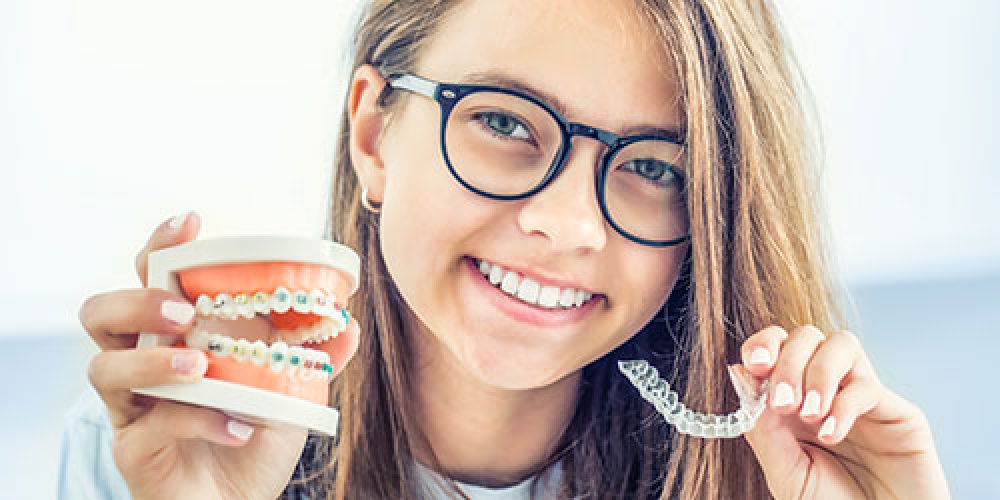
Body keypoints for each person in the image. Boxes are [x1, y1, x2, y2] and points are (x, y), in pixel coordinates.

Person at [67, 0, 951, 498]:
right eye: (500, 122)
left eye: (654, 166)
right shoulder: (149, 448)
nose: (568, 225)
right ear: (375, 135)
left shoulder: (772, 475)